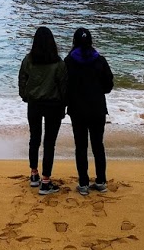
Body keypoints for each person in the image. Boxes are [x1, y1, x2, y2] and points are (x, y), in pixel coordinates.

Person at [18, 25, 67, 195]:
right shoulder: (58, 62)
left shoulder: (28, 60)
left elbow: (22, 79)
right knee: (49, 143)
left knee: (34, 138)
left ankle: (34, 174)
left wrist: (25, 96)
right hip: (53, 104)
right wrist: (63, 105)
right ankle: (45, 181)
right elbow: (63, 87)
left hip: (34, 104)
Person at [65, 27, 114, 196]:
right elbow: (109, 86)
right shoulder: (100, 60)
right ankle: (101, 181)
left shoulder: (69, 61)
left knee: (81, 146)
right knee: (98, 145)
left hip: (77, 110)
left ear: (74, 42)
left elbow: (64, 87)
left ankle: (84, 183)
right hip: (97, 108)